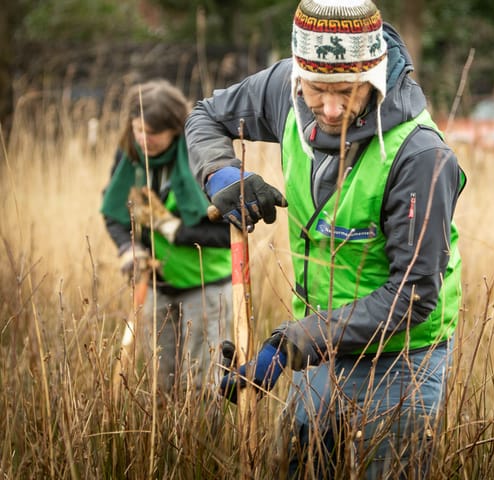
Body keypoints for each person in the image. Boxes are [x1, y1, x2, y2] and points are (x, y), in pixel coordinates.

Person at [185, 0, 465, 477]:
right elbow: (207, 116)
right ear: (299, 74)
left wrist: (292, 345)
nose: (331, 108)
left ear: (374, 77)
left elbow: (414, 293)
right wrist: (222, 177)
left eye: (348, 91)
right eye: (316, 89)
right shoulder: (283, 89)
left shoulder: (420, 156)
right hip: (318, 354)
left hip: (401, 363)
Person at [101, 79, 232, 400]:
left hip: (207, 288)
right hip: (157, 287)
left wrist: (171, 228)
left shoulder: (202, 159)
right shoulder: (130, 157)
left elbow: (229, 234)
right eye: (138, 130)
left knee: (202, 386)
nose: (144, 140)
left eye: (153, 133)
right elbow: (114, 210)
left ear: (175, 129)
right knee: (164, 384)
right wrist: (128, 249)